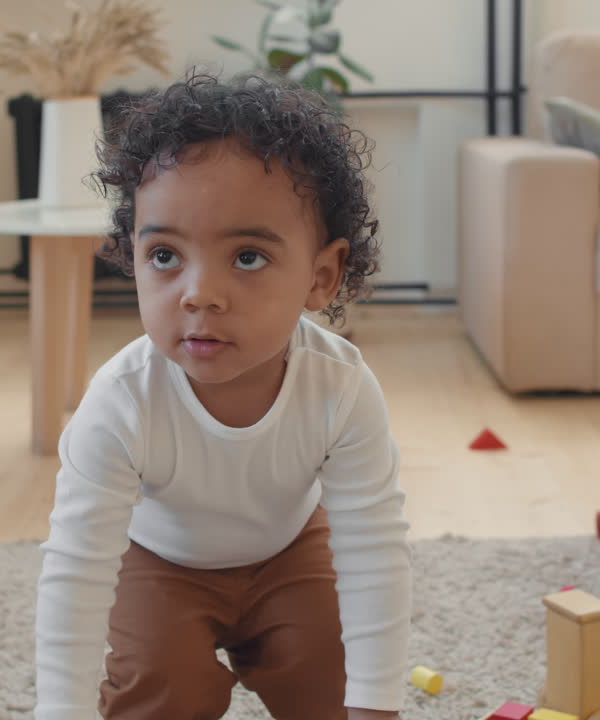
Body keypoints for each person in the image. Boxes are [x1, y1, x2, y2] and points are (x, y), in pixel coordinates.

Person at [33, 71, 413, 720]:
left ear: (321, 277)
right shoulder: (120, 402)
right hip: (160, 562)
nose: (198, 293)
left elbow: (375, 553)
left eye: (246, 258)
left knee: (336, 684)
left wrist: (375, 707)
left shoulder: (342, 388)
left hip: (290, 552)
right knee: (159, 689)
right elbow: (75, 571)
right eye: (164, 256)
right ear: (133, 255)